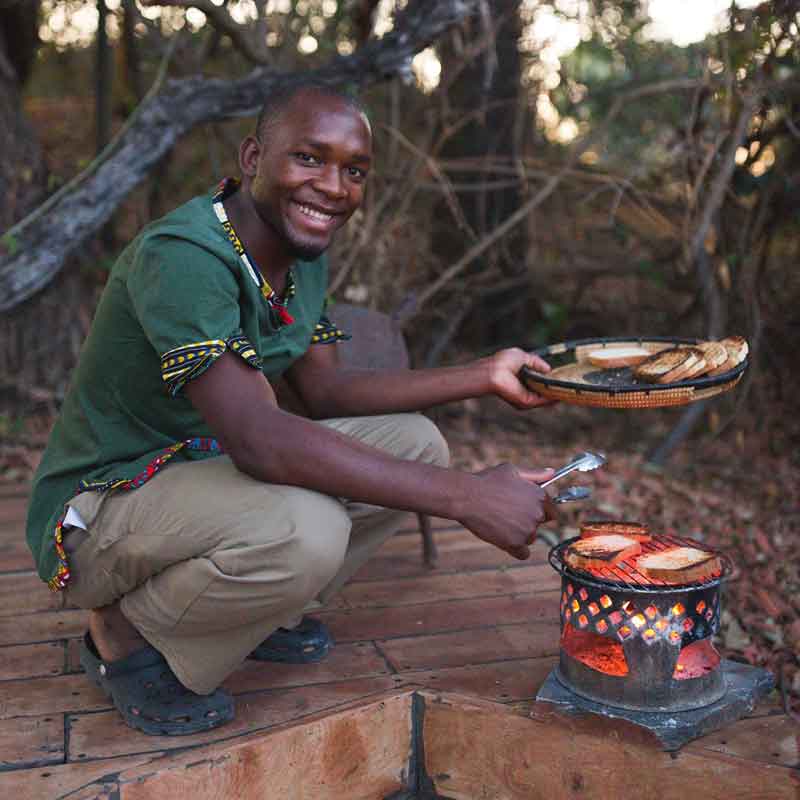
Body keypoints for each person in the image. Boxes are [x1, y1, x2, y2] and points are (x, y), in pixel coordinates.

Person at [26, 78, 556, 736]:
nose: (334, 188)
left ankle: (260, 612)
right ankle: (123, 633)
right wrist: (464, 497)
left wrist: (485, 374)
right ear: (253, 159)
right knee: (306, 528)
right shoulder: (184, 256)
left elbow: (326, 394)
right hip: (103, 508)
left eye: (354, 170)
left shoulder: (296, 253)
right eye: (309, 158)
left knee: (417, 444)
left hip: (198, 478)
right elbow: (261, 440)